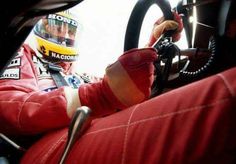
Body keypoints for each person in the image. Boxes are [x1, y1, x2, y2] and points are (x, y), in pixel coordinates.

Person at [0, 3, 182, 152]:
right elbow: (13, 106)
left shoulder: (76, 76)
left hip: (79, 139)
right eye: (57, 27)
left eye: (70, 31)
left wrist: (153, 45)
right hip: (42, 149)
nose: (64, 35)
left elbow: (117, 85)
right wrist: (98, 96)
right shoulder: (22, 55)